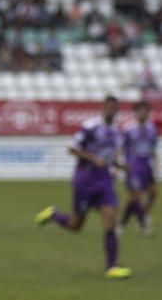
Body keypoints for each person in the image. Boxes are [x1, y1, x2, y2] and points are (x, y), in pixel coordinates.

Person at [34, 95, 132, 280]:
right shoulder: (90, 126)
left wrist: (121, 165)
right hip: (85, 181)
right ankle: (54, 214)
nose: (112, 110)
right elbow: (71, 147)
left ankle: (111, 266)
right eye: (109, 106)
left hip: (104, 182)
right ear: (102, 108)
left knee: (111, 219)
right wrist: (93, 158)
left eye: (115, 107)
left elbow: (111, 158)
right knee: (75, 225)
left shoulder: (116, 133)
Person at [118, 100, 158, 236]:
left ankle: (137, 217)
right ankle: (142, 224)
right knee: (135, 197)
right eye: (140, 110)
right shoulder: (128, 128)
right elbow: (119, 146)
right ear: (135, 112)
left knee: (153, 193)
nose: (143, 113)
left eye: (146, 110)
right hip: (133, 166)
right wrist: (120, 163)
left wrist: (156, 162)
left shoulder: (151, 128)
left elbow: (152, 147)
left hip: (147, 165)